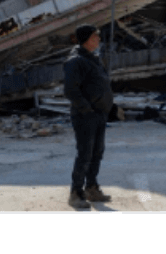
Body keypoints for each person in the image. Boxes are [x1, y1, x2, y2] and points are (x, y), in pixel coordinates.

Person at [63, 24, 113, 209]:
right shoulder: (75, 61)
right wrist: (86, 109)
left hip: (99, 114)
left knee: (97, 153)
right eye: (95, 37)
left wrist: (109, 107)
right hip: (85, 116)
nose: (98, 39)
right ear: (85, 40)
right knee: (85, 154)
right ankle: (76, 193)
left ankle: (91, 188)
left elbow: (100, 86)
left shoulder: (94, 59)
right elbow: (70, 90)